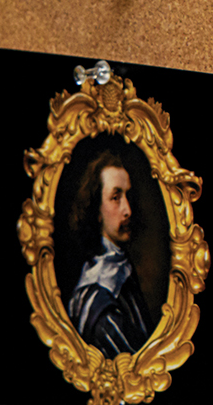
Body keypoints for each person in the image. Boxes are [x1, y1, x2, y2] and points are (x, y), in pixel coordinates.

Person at [66, 151, 155, 357]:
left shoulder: (122, 269)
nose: (128, 210)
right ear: (96, 210)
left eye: (128, 196)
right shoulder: (97, 302)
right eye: (116, 198)